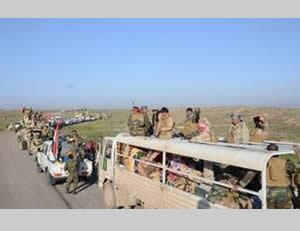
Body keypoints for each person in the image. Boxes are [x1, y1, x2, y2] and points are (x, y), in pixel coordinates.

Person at [266, 143, 300, 209]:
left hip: (269, 192)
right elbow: (294, 171)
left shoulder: (265, 161)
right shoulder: (285, 162)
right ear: (278, 151)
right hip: (284, 191)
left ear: (267, 151)